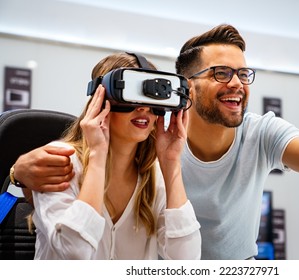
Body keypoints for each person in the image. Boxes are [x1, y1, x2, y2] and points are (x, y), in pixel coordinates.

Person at [11, 24, 299, 259]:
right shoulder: (143, 145)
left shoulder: (252, 134)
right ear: (185, 86)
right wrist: (16, 174)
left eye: (243, 73)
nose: (237, 83)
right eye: (221, 73)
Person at [25, 52, 201, 259]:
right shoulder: (61, 162)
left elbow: (186, 261)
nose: (144, 108)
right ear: (100, 100)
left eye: (152, 95)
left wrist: (171, 163)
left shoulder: (154, 175)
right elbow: (74, 253)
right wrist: (97, 156)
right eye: (132, 94)